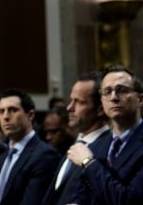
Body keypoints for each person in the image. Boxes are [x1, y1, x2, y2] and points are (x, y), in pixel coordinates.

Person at [68, 65, 143, 205]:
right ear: (102, 101)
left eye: (122, 90)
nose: (113, 97)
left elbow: (128, 200)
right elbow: (81, 197)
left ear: (140, 99)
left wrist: (89, 163)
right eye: (107, 92)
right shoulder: (96, 146)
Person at [43, 71, 111, 205]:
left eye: (78, 102)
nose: (69, 108)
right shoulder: (75, 144)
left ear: (100, 109)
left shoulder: (109, 148)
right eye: (71, 100)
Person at [0, 88, 58, 205]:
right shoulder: (1, 158)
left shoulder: (45, 155)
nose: (5, 117)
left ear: (30, 115)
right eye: (1, 111)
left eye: (13, 110)